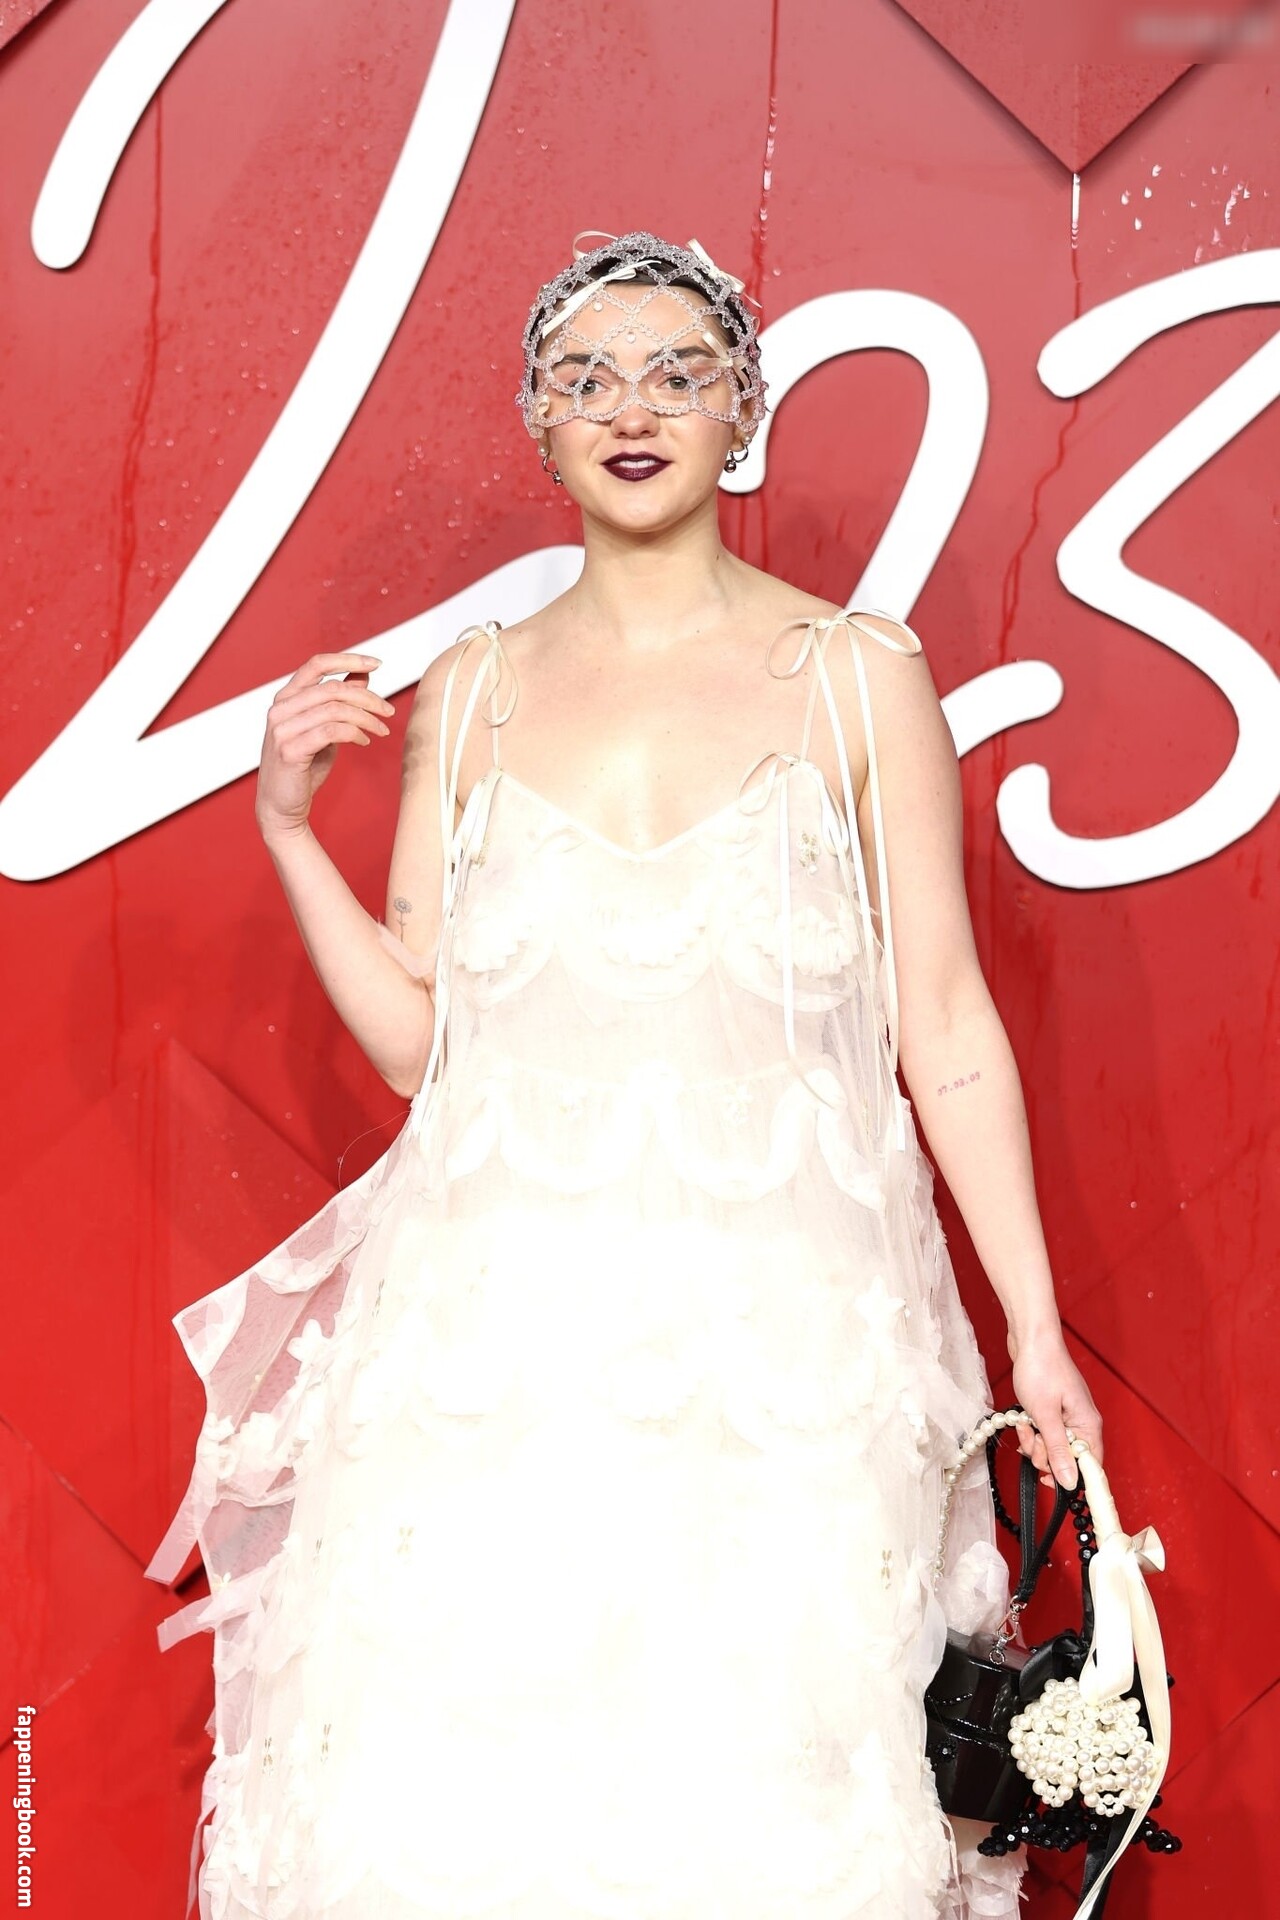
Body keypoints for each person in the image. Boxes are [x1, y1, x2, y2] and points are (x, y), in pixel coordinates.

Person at [146, 230, 1104, 1920]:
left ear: (744, 411)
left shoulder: (857, 676)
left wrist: (1034, 1327)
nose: (632, 408)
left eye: (677, 373)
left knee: (774, 1798)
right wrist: (287, 828)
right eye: (586, 379)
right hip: (500, 1359)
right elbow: (419, 1044)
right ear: (539, 423)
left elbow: (945, 1020)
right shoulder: (472, 696)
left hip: (787, 1354)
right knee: (481, 1808)